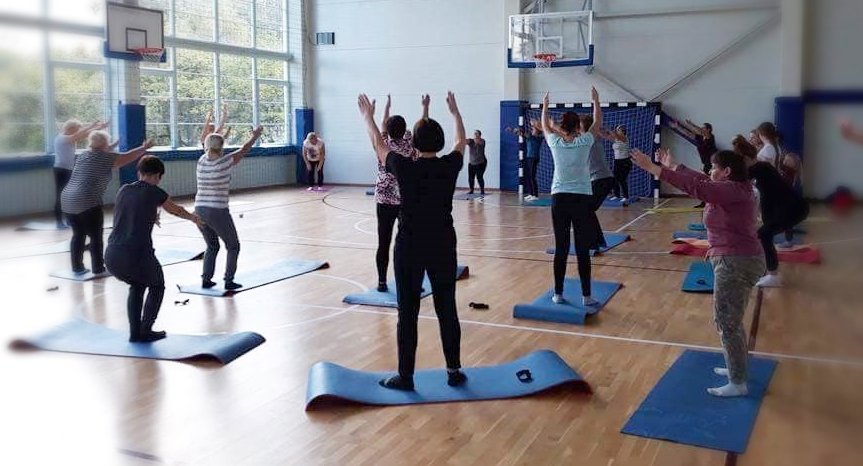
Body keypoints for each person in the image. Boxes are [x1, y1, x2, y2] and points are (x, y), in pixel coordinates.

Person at [631, 147, 764, 397]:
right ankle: (737, 368)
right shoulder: (733, 188)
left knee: (726, 321)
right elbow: (702, 181)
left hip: (736, 261)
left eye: (714, 167)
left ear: (726, 172)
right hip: (736, 258)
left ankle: (738, 382)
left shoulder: (733, 191)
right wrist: (675, 166)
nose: (710, 171)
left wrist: (654, 169)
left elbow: (700, 188)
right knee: (731, 320)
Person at [358, 91, 467, 391]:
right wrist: (455, 113)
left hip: (410, 246)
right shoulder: (450, 165)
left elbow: (380, 146)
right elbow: (461, 141)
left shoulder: (405, 167)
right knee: (447, 308)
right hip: (443, 244)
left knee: (407, 312)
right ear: (439, 142)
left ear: (414, 144)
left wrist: (368, 117)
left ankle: (406, 376)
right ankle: (454, 371)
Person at [105, 156, 203, 342]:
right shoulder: (155, 192)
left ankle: (136, 333)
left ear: (139, 173)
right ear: (158, 175)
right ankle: (146, 330)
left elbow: (130, 211)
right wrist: (193, 218)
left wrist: (151, 216)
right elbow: (175, 209)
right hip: (136, 254)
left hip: (112, 255)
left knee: (138, 285)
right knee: (157, 285)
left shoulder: (124, 190)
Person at [61, 132, 153, 275]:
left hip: (67, 200)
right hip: (87, 201)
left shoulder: (83, 155)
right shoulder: (106, 158)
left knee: (78, 234)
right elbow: (127, 157)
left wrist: (112, 145)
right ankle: (98, 268)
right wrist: (144, 148)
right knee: (96, 236)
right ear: (105, 144)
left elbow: (101, 149)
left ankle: (77, 268)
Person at [543, 88, 604, 306]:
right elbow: (597, 122)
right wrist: (596, 101)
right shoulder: (584, 141)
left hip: (559, 199)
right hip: (581, 199)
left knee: (561, 247)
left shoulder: (555, 142)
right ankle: (586, 296)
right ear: (578, 127)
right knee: (582, 249)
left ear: (561, 126)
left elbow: (544, 125)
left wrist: (545, 106)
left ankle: (558, 294)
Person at [732, 136, 809, 287]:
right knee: (764, 234)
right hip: (792, 208)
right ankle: (770, 271)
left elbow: (738, 180)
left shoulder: (759, 169)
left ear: (746, 159)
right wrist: (766, 220)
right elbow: (767, 198)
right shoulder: (762, 168)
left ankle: (773, 276)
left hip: (795, 209)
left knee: (763, 234)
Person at [195, 126, 264, 291]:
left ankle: (206, 279)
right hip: (217, 210)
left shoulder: (201, 161)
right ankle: (229, 280)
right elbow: (244, 149)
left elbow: (209, 144)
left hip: (199, 209)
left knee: (212, 246)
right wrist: (255, 136)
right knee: (233, 246)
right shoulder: (224, 162)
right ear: (221, 147)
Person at [374, 94, 421, 292]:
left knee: (383, 241)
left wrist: (385, 107)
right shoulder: (409, 145)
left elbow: (381, 127)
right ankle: (413, 282)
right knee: (410, 242)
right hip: (405, 199)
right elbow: (419, 129)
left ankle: (382, 281)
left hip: (384, 199)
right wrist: (425, 108)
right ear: (404, 130)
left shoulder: (384, 145)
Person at [53, 119, 109, 228]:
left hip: (69, 169)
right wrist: (92, 125)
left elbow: (85, 134)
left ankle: (69, 220)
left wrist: (99, 128)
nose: (78, 131)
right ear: (70, 128)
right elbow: (79, 135)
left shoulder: (70, 137)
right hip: (61, 170)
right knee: (61, 196)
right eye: (77, 129)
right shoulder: (62, 138)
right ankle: (59, 222)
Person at [668, 118, 717, 208]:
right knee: (705, 182)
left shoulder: (710, 137)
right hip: (706, 163)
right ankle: (705, 202)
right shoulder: (700, 138)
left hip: (713, 164)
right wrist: (678, 127)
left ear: (708, 130)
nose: (702, 129)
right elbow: (688, 133)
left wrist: (692, 124)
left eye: (704, 128)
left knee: (709, 182)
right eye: (702, 128)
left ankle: (710, 202)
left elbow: (700, 131)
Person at [507, 120, 542, 201]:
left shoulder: (537, 138)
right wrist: (514, 130)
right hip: (529, 157)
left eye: (533, 129)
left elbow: (522, 133)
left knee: (532, 176)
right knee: (529, 176)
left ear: (537, 131)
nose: (532, 130)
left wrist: (513, 129)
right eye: (532, 129)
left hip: (534, 158)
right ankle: (531, 194)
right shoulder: (530, 136)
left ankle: (535, 195)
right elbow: (521, 133)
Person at [601, 124, 631, 202]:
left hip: (625, 161)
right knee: (615, 179)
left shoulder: (624, 138)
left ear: (623, 131)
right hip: (617, 161)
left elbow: (614, 135)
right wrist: (599, 130)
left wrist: (608, 129)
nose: (617, 131)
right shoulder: (616, 139)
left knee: (622, 179)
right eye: (617, 130)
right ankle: (617, 195)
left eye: (618, 130)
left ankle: (626, 196)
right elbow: (605, 136)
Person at [466, 130, 487, 196]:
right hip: (471, 163)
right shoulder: (471, 141)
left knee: (479, 177)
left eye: (476, 133)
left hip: (481, 163)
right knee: (470, 178)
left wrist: (475, 139)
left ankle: (482, 191)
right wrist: (463, 139)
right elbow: (466, 141)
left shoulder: (482, 141)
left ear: (480, 135)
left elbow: (478, 142)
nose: (475, 135)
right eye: (474, 133)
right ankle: (471, 190)